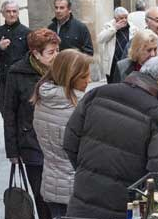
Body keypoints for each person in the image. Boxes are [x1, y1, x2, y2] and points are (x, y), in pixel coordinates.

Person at [64, 56, 158, 219]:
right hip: (124, 208)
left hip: (81, 206)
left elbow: (70, 142)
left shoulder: (97, 94)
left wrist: (88, 172)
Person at [4, 28, 61, 219]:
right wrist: (13, 151)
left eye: (57, 50)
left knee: (61, 196)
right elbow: (9, 112)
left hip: (59, 143)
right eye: (51, 52)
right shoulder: (17, 72)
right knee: (41, 195)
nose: (56, 56)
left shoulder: (61, 69)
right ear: (36, 53)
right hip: (32, 144)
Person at [31, 49, 92, 219]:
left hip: (52, 183)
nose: (89, 80)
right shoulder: (80, 106)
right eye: (84, 76)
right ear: (69, 77)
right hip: (78, 188)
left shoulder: (42, 99)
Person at [0, 0, 30, 114]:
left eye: (14, 11)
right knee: (6, 114)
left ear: (18, 13)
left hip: (21, 81)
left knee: (22, 115)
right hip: (3, 82)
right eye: (8, 11)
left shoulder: (27, 32)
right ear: (3, 13)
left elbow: (31, 58)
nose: (11, 14)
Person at [98, 7, 129, 83]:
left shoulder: (132, 27)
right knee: (112, 84)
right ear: (115, 18)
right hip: (112, 62)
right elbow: (100, 39)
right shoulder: (108, 26)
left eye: (126, 17)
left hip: (127, 61)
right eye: (121, 18)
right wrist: (115, 28)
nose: (124, 20)